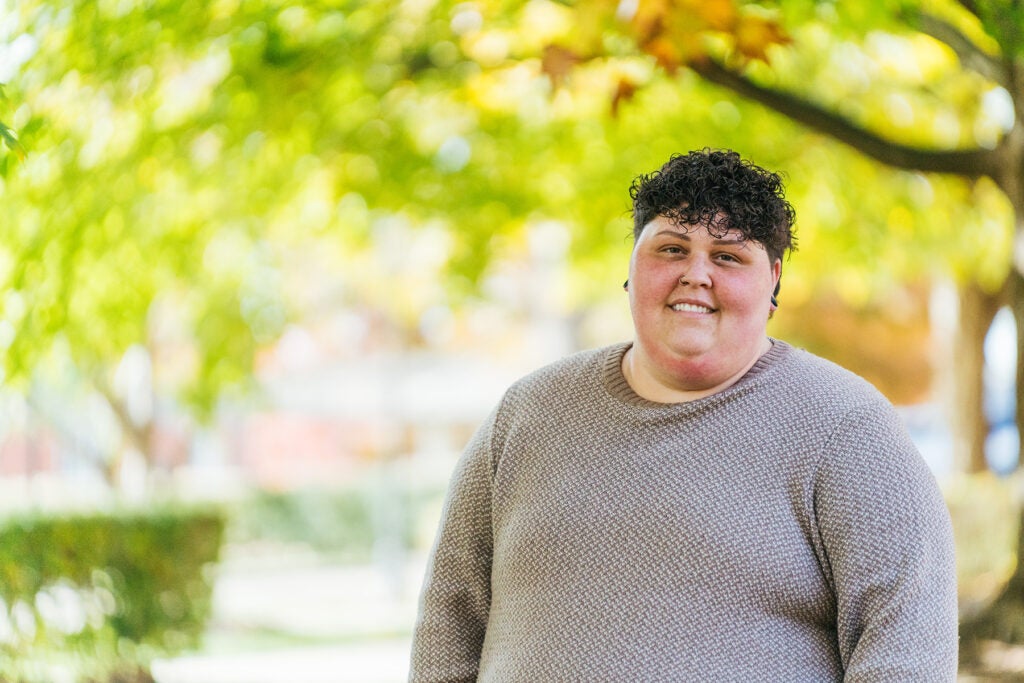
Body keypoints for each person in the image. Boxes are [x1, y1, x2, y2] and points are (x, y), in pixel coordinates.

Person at [409, 149, 958, 681]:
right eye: (672, 249)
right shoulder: (528, 415)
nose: (696, 274)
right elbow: (448, 625)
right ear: (631, 267)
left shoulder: (847, 428)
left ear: (773, 279)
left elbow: (907, 650)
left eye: (727, 256)